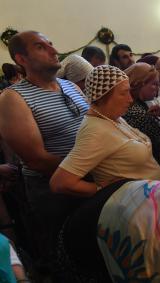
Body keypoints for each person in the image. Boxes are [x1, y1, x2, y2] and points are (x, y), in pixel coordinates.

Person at [50, 65, 160, 281]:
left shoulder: (113, 117)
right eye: (123, 93)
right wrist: (98, 189)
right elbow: (60, 182)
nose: (129, 98)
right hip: (136, 218)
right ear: (103, 95)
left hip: (152, 208)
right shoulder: (94, 131)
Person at [0, 31, 89, 267]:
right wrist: (89, 168)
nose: (53, 50)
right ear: (21, 59)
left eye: (51, 43)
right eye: (41, 47)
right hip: (53, 191)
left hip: (87, 175)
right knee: (68, 254)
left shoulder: (70, 86)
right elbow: (36, 159)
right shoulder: (13, 98)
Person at [123, 63, 160, 180]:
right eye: (154, 84)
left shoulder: (138, 105)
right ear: (139, 84)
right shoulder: (137, 114)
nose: (157, 89)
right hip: (154, 175)